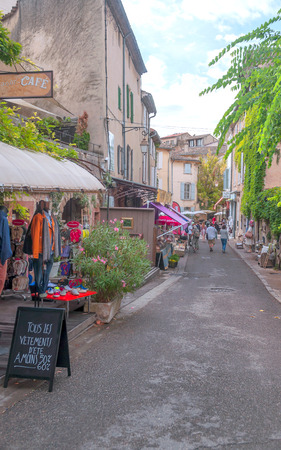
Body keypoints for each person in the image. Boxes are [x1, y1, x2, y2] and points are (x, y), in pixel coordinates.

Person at [29, 199, 61, 298]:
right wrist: (35, 252)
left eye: (48, 202)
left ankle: (44, 288)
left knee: (48, 270)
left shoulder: (52, 218)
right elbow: (35, 235)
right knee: (38, 271)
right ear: (41, 204)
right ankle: (39, 290)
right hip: (40, 250)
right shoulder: (38, 217)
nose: (48, 204)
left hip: (50, 250)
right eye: (45, 202)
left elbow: (55, 235)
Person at [0, 206, 12, 295]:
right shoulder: (3, 220)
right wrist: (5, 257)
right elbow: (5, 240)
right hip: (1, 255)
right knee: (1, 280)